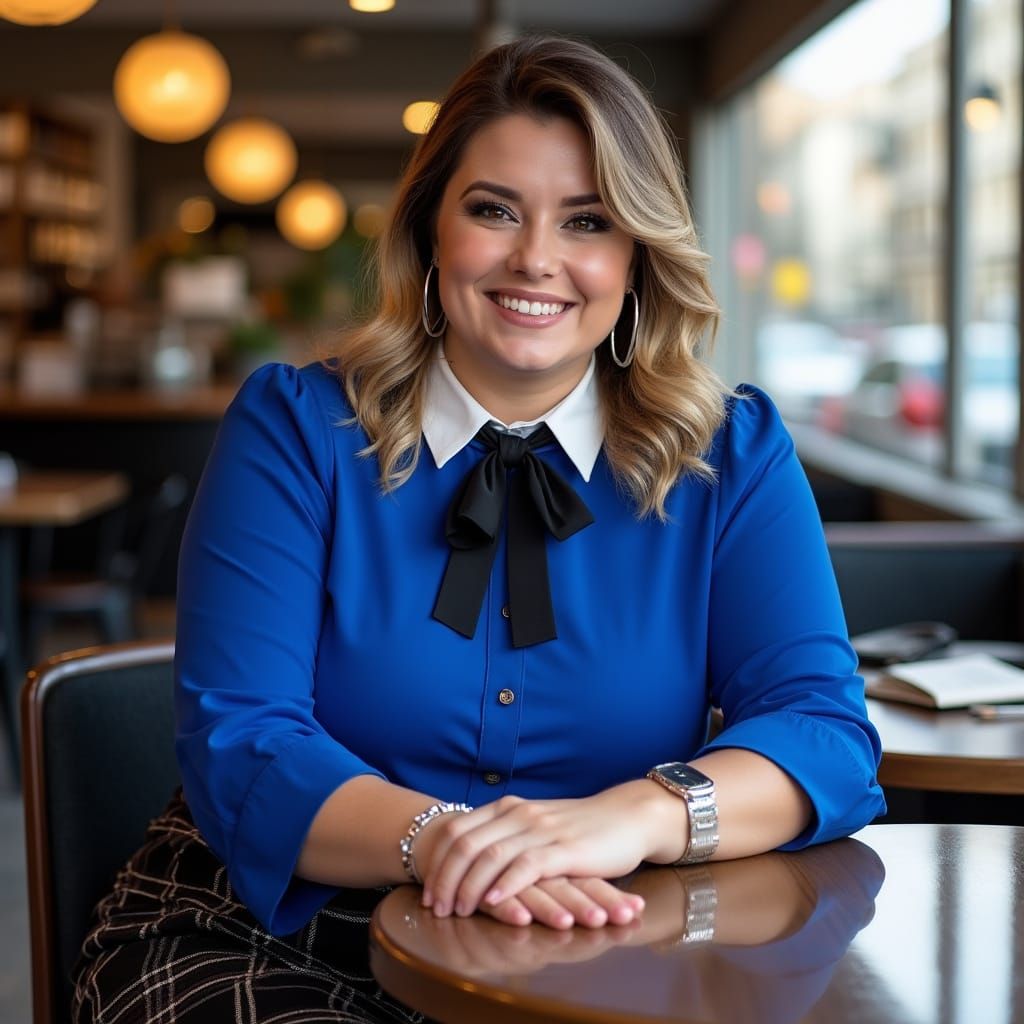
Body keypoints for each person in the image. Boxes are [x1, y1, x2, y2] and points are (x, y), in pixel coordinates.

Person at [73, 34, 885, 1024]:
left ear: (634, 255)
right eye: (494, 210)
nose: (535, 258)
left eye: (587, 221)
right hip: (282, 928)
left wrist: (625, 819)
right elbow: (242, 737)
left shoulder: (732, 453)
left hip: (605, 932)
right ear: (430, 231)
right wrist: (442, 840)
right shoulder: (295, 428)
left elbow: (822, 732)